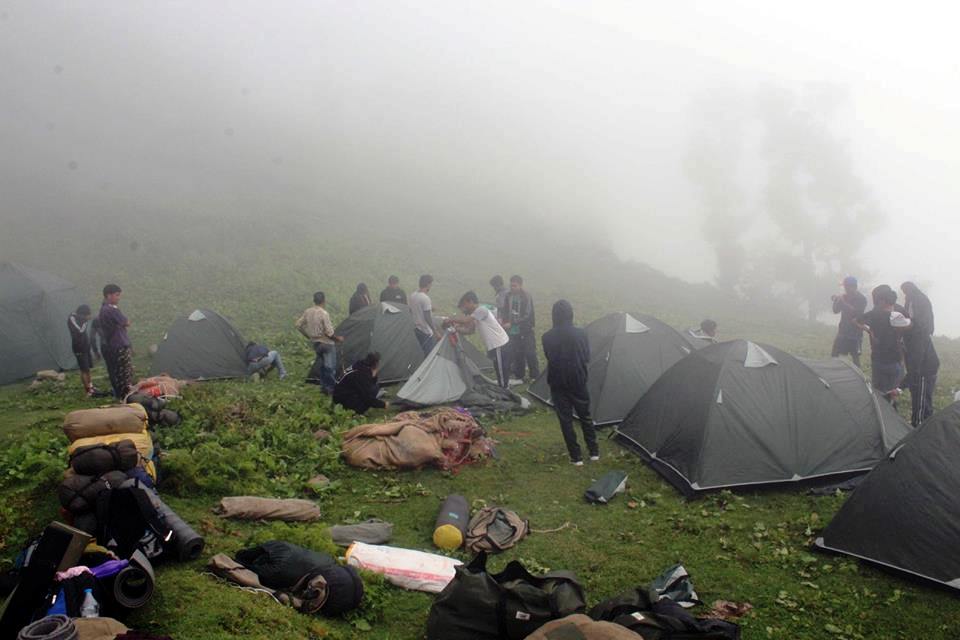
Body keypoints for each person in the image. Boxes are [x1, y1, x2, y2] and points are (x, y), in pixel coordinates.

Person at [542, 299, 597, 466]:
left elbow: (549, 357)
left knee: (565, 420)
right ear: (570, 314)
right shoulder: (581, 333)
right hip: (578, 379)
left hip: (557, 381)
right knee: (585, 416)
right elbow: (586, 356)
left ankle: (576, 457)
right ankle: (594, 452)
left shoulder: (546, 337)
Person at [444, 291, 510, 388]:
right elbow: (470, 330)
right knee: (498, 366)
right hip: (494, 345)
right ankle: (503, 384)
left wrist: (451, 319)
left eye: (465, 305)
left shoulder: (481, 310)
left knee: (501, 368)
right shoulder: (476, 315)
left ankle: (504, 388)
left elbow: (465, 320)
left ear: (471, 302)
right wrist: (456, 329)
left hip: (499, 343)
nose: (464, 308)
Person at [856, 285, 909, 405]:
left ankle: (884, 412)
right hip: (887, 359)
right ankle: (890, 413)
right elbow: (910, 327)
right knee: (888, 392)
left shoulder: (878, 312)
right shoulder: (891, 311)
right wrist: (870, 331)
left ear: (882, 300)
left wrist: (870, 332)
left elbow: (857, 321)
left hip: (887, 359)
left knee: (883, 393)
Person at [901, 282, 939, 426]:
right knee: (924, 400)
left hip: (924, 369)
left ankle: (918, 428)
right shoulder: (914, 298)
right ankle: (927, 426)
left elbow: (915, 366)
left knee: (920, 402)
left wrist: (903, 385)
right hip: (925, 365)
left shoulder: (917, 299)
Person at [295, 291, 343, 393]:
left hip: (316, 344)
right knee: (330, 368)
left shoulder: (308, 312)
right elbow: (329, 333)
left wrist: (307, 335)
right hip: (327, 344)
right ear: (324, 300)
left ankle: (324, 387)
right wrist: (338, 339)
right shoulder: (323, 313)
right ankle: (331, 389)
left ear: (314, 300)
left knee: (322, 366)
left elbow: (298, 325)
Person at [98, 284, 135, 399]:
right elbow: (126, 322)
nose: (119, 298)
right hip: (119, 345)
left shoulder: (104, 309)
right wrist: (125, 321)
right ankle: (125, 396)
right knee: (124, 373)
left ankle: (122, 394)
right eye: (117, 295)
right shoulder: (110, 309)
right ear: (108, 295)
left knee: (119, 372)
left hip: (114, 344)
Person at [503, 275, 539, 384]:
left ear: (520, 285)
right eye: (511, 286)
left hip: (526, 328)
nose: (512, 288)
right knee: (517, 352)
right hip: (513, 330)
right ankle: (520, 375)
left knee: (530, 352)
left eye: (514, 286)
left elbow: (527, 315)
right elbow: (505, 310)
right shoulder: (508, 296)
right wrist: (503, 320)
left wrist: (512, 322)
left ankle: (534, 375)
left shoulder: (526, 296)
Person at [831, 276, 868, 368]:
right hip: (843, 330)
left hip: (855, 332)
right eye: (845, 287)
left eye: (847, 286)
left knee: (855, 357)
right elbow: (835, 311)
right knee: (835, 354)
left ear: (854, 286)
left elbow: (857, 313)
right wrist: (836, 301)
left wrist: (843, 302)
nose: (845, 289)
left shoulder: (861, 298)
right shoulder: (844, 297)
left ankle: (859, 377)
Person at [67, 304, 102, 397]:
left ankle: (91, 386)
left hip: (86, 346)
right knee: (83, 369)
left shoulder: (82, 319)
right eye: (87, 315)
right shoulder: (72, 318)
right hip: (78, 347)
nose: (88, 317)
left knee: (88, 368)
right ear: (82, 314)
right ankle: (87, 390)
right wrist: (85, 322)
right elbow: (79, 331)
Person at [409, 275, 437, 354]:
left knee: (423, 350)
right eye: (431, 284)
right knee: (429, 354)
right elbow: (427, 317)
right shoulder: (425, 298)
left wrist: (430, 307)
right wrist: (435, 331)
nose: (431, 286)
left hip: (417, 328)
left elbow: (411, 310)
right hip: (425, 331)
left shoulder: (413, 295)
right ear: (428, 284)